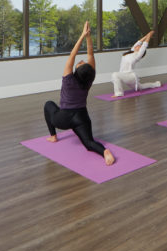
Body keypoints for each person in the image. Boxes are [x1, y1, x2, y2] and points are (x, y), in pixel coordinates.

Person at [44, 21, 115, 165]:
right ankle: (104, 152)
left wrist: (82, 35)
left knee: (48, 105)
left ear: (77, 70)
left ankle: (53, 136)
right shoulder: (89, 78)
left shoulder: (68, 78)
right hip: (82, 117)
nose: (81, 61)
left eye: (80, 63)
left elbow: (72, 54)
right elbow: (90, 54)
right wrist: (89, 37)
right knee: (89, 143)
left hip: (63, 119)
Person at [111, 30, 161, 97]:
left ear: (140, 50)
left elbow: (144, 45)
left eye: (139, 46)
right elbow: (139, 42)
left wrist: (149, 35)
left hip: (130, 76)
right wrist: (147, 35)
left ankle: (119, 93)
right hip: (123, 75)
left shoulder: (137, 55)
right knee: (141, 87)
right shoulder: (131, 52)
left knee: (115, 74)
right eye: (137, 46)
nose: (137, 46)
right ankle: (156, 84)